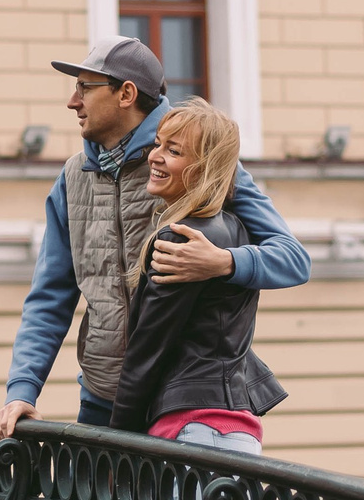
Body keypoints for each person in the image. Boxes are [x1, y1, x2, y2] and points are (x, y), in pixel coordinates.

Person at [0, 36, 308, 437]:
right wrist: (22, 390)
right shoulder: (72, 179)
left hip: (177, 403)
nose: (73, 102)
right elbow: (49, 297)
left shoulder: (196, 162)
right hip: (102, 399)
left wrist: (223, 263)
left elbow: (294, 259)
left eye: (85, 88)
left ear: (125, 93)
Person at [107, 100, 285, 454]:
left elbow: (148, 349)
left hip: (191, 427)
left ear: (202, 168)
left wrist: (117, 442)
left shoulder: (181, 240)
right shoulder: (239, 229)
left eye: (173, 151)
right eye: (158, 144)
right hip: (239, 429)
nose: (155, 156)